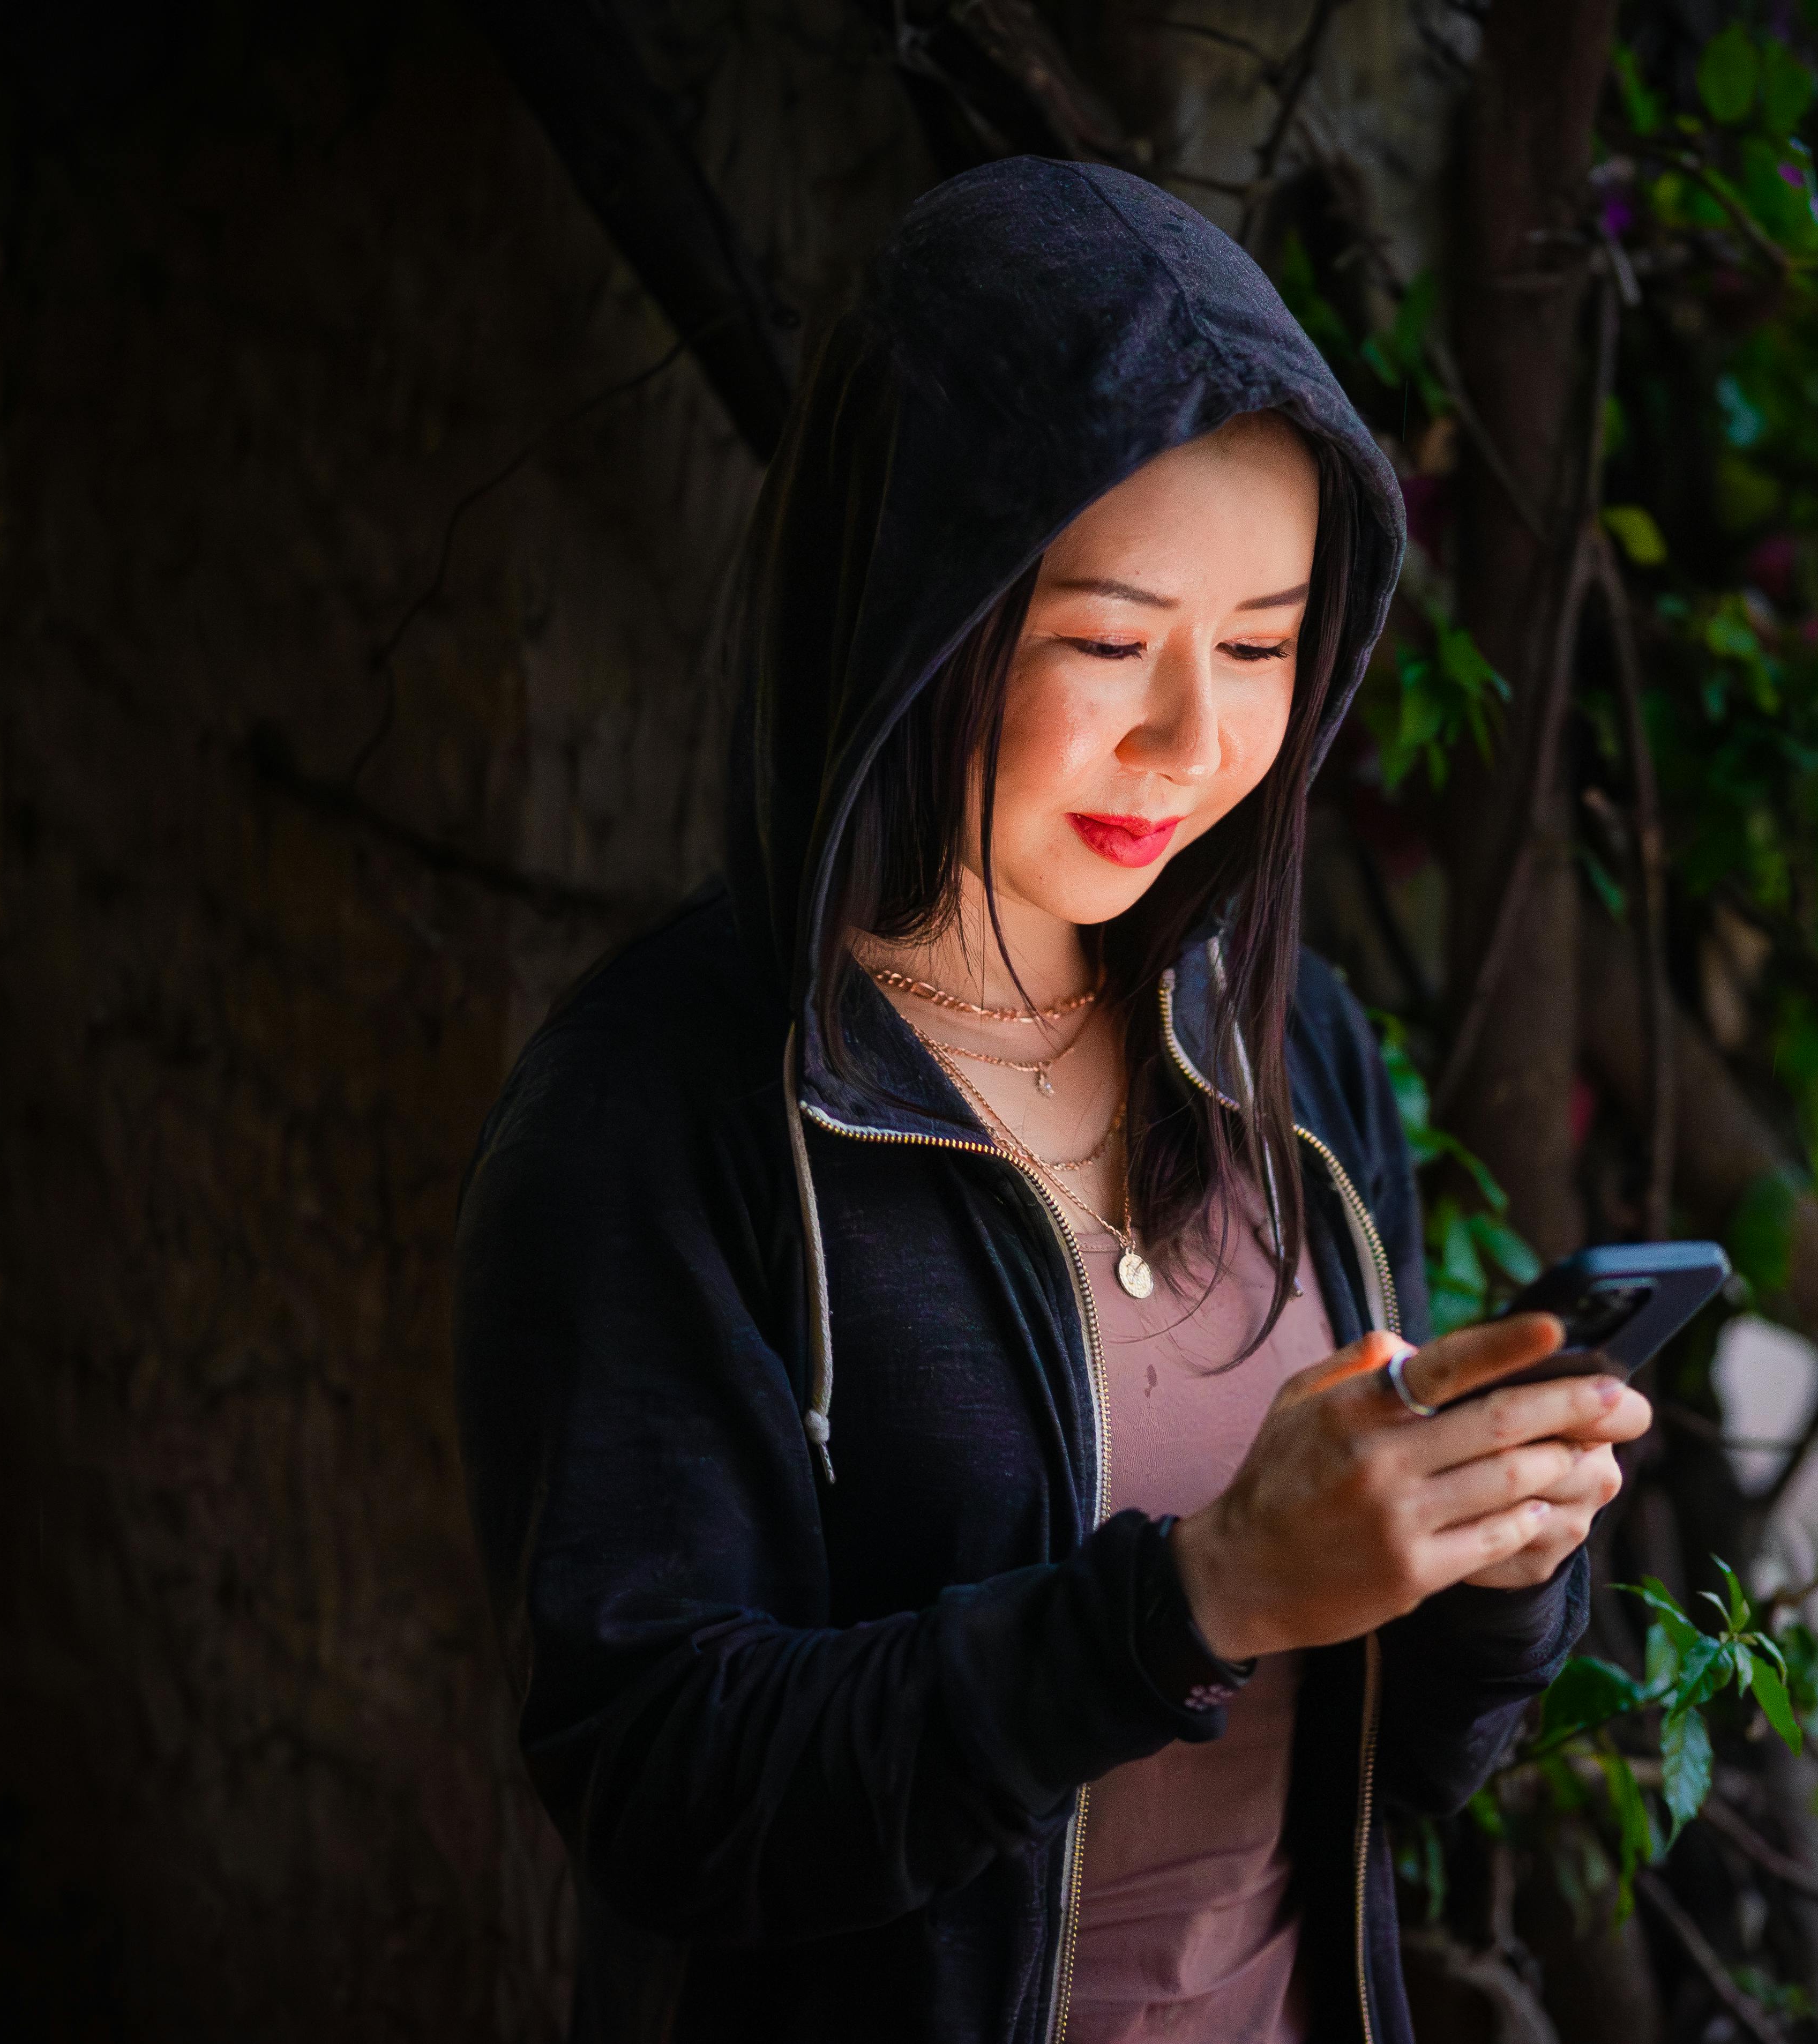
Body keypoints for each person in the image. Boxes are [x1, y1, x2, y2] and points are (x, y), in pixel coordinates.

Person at [452, 157, 1649, 2044]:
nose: (1191, 743)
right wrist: (1186, 1603)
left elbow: (1387, 1776)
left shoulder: (1288, 1049)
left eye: (1260, 649)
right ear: (912, 610)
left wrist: (1484, 1571)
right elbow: (663, 1798)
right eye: (1105, 643)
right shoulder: (659, 1112)